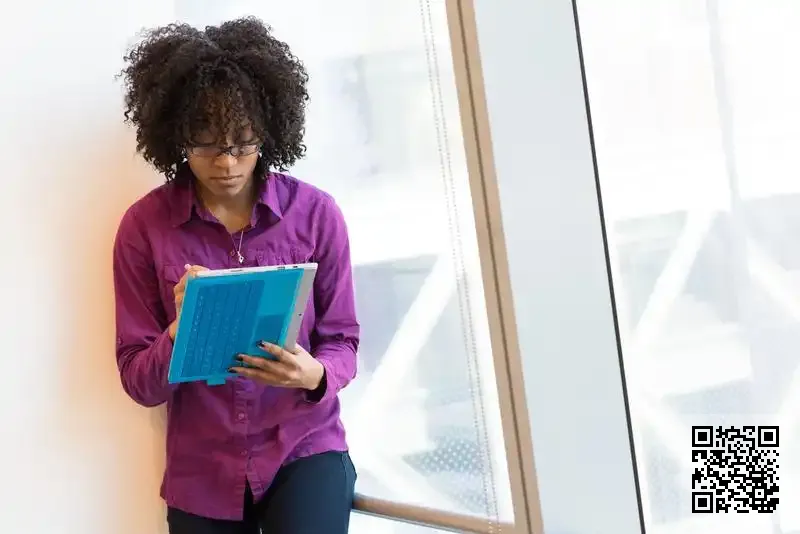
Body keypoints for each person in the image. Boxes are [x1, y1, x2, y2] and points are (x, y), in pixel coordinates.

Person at [113, 17, 359, 534]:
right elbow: (138, 381)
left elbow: (343, 340)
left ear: (267, 131)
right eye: (205, 144)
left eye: (243, 143)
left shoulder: (316, 214)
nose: (226, 161)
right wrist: (180, 329)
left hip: (303, 446)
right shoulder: (143, 227)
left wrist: (315, 375)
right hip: (202, 469)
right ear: (177, 136)